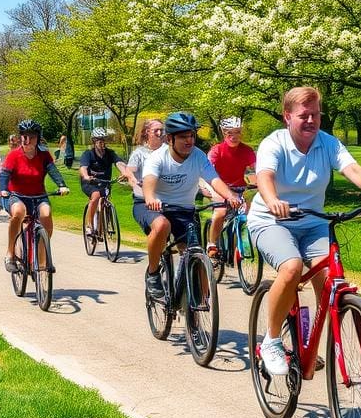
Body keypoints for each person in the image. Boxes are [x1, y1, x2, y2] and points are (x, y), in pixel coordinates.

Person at [250, 86, 361, 375]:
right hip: (273, 220)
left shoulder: (327, 143)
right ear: (287, 117)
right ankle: (271, 340)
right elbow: (264, 176)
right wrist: (272, 200)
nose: (311, 121)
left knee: (332, 278)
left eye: (316, 114)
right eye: (304, 115)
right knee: (291, 268)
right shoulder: (274, 143)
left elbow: (353, 169)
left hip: (314, 221)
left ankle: (313, 345)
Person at [140, 112, 244, 298]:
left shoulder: (198, 156)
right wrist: (150, 198)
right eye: (183, 137)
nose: (189, 140)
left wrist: (230, 195)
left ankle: (199, 304)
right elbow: (149, 181)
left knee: (195, 253)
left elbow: (214, 179)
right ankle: (153, 273)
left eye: (192, 135)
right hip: (153, 206)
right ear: (170, 138)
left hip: (183, 210)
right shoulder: (158, 157)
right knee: (162, 225)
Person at [0, 119, 69, 272]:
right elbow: (4, 174)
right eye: (24, 135)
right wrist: (3, 189)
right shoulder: (14, 155)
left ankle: (42, 256)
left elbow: (53, 171)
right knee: (18, 212)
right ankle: (10, 253)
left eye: (31, 136)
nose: (27, 139)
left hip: (39, 195)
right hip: (17, 195)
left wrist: (62, 185)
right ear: (20, 137)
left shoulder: (44, 155)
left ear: (37, 138)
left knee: (46, 213)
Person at [205, 116, 256, 260]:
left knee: (247, 214)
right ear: (223, 133)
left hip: (239, 188)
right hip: (219, 187)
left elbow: (257, 170)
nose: (234, 136)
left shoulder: (247, 150)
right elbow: (208, 171)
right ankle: (212, 244)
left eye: (237, 132)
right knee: (221, 212)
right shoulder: (217, 151)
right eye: (229, 133)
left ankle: (241, 245)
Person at [79, 128, 130, 237]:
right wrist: (86, 176)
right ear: (94, 142)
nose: (103, 144)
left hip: (105, 182)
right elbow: (83, 167)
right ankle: (89, 225)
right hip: (90, 183)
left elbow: (119, 162)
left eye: (104, 141)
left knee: (103, 200)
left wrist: (125, 172)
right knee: (96, 196)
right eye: (100, 141)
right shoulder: (88, 154)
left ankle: (100, 230)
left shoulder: (110, 153)